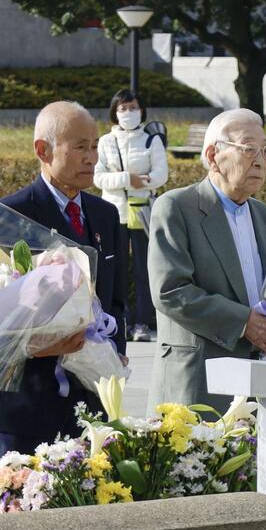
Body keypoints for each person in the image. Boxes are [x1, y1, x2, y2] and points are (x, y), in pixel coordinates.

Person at [0, 101, 127, 464]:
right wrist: (33, 342)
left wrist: (113, 354)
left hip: (90, 400)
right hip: (23, 405)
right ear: (43, 150)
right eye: (80, 147)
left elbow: (117, 300)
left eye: (94, 145)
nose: (91, 157)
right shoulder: (6, 216)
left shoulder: (106, 216)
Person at [147, 108, 266, 413]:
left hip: (258, 383)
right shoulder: (176, 208)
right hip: (197, 383)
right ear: (212, 156)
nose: (261, 160)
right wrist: (243, 322)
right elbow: (170, 290)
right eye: (249, 149)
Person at [94, 89, 168, 343]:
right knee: (116, 269)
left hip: (142, 213)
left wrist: (143, 182)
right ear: (114, 112)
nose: (128, 113)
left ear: (142, 110)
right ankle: (119, 320)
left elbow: (161, 174)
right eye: (123, 108)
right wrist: (128, 179)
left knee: (144, 269)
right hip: (114, 212)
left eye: (133, 107)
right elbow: (98, 176)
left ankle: (142, 322)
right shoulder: (105, 142)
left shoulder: (150, 140)